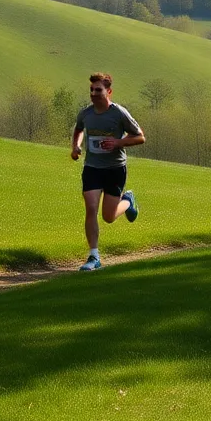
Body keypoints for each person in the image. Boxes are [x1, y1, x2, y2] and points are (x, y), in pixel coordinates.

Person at [71, 72, 146, 271]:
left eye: (98, 90)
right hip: (92, 168)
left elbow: (140, 137)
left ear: (109, 92)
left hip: (115, 169)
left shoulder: (119, 113)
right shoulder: (86, 114)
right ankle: (93, 256)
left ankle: (128, 200)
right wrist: (76, 147)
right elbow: (78, 130)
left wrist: (118, 142)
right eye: (91, 90)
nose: (94, 94)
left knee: (109, 217)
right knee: (91, 207)